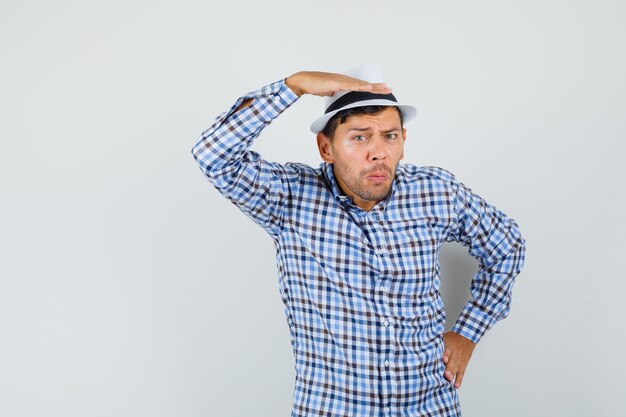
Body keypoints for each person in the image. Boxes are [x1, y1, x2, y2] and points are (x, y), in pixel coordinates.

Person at [191, 64, 526, 417]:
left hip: (429, 407)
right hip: (334, 408)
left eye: (390, 136)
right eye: (360, 137)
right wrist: (295, 85)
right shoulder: (290, 198)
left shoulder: (436, 192)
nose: (378, 152)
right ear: (326, 148)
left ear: (404, 141)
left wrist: (467, 333)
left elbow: (507, 246)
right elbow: (214, 156)